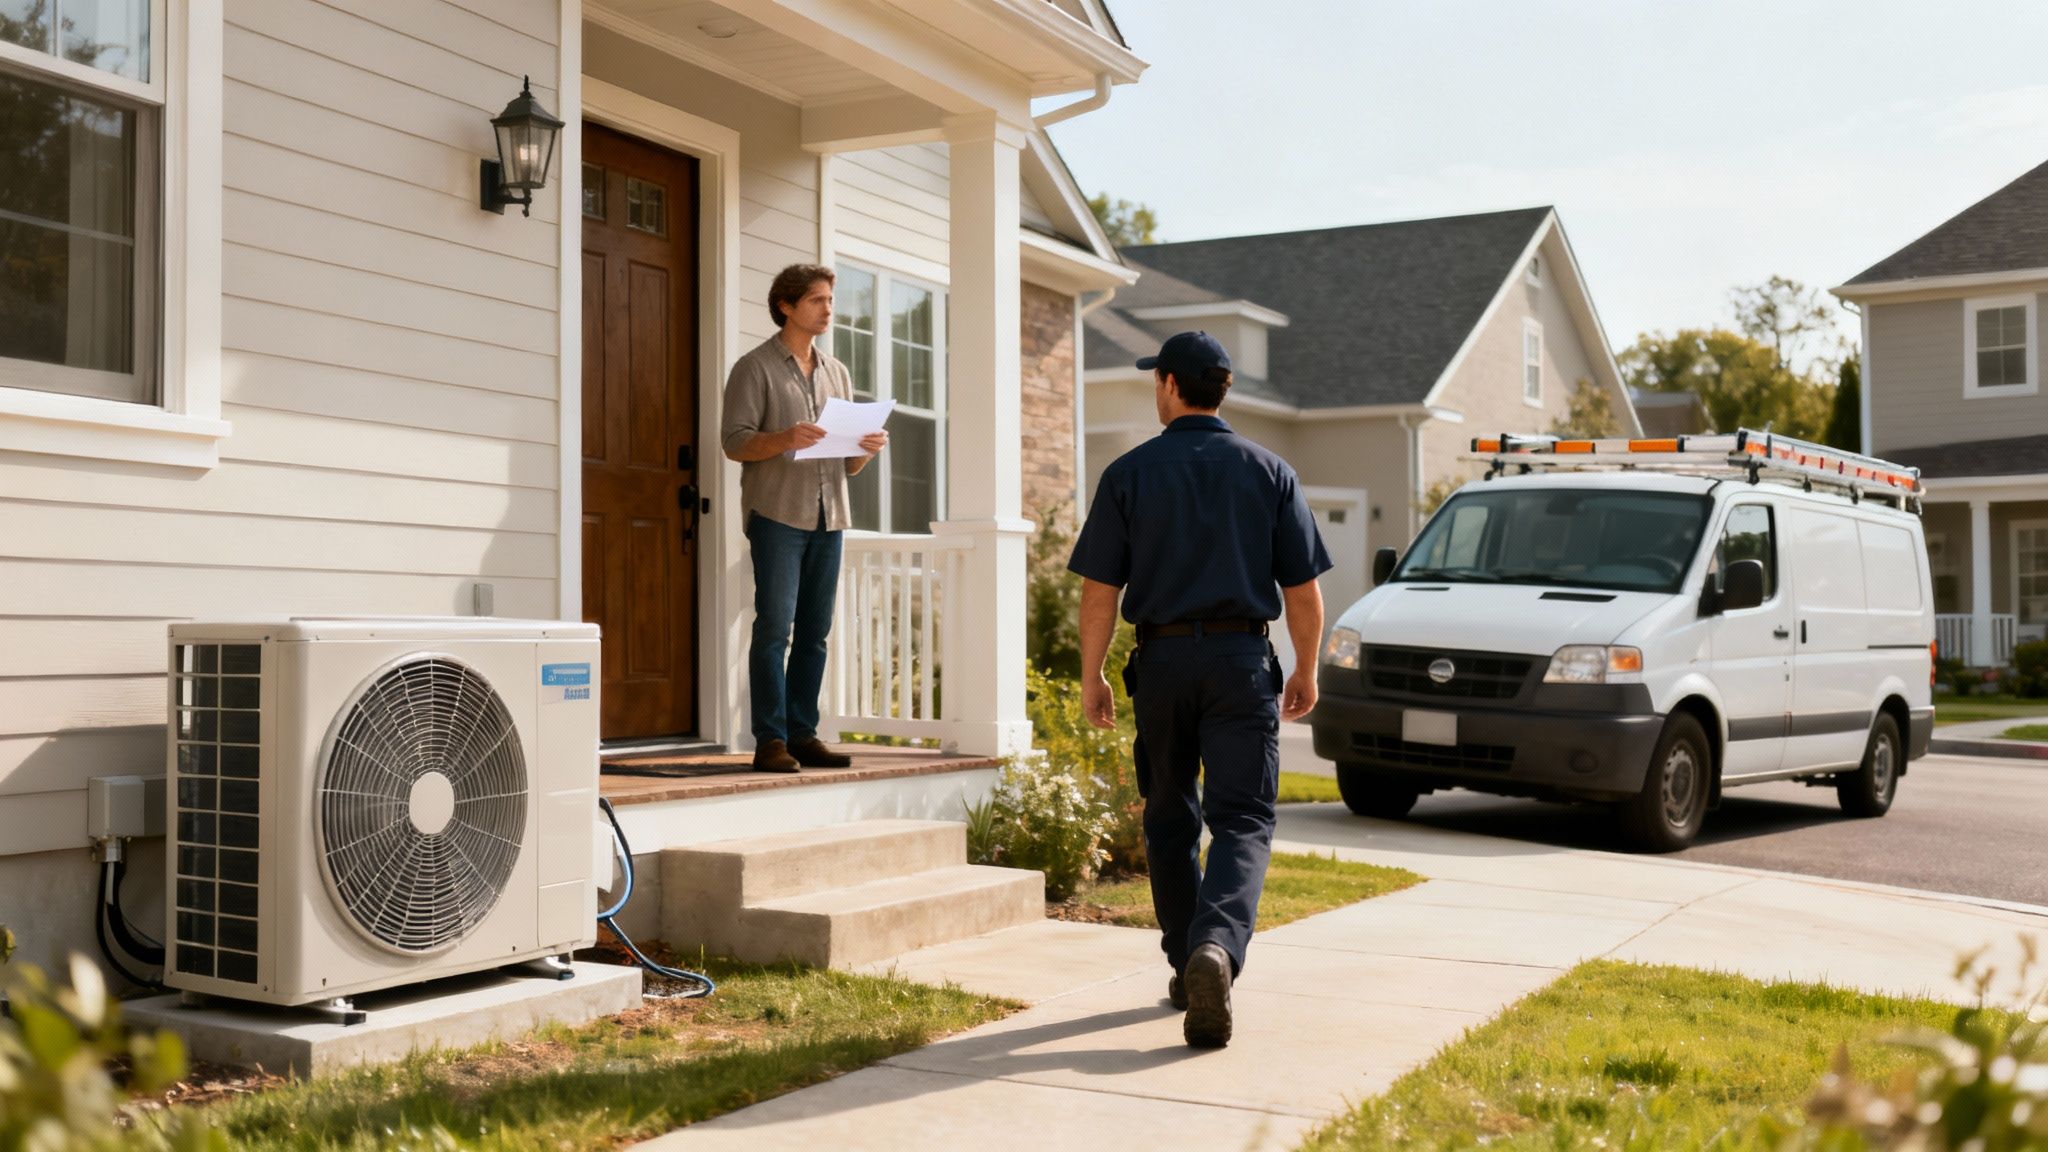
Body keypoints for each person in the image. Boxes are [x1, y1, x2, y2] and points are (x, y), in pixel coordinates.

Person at [1067, 330, 1330, 1048]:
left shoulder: (1129, 473)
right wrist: (1306, 667)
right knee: (1242, 818)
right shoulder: (1270, 471)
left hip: (1160, 664)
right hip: (1242, 661)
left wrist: (1092, 674)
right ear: (1223, 389)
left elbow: (1099, 593)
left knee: (1170, 816)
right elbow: (1302, 591)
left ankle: (1189, 959)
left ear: (1170, 385)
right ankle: (1215, 947)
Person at [720, 264, 888, 773]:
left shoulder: (837, 372)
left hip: (829, 517)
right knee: (775, 629)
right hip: (777, 515)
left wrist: (866, 449)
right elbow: (734, 443)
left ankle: (803, 734)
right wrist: (784, 438)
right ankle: (770, 740)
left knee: (815, 632)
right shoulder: (754, 368)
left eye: (831, 300)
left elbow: (847, 465)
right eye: (817, 300)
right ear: (786, 306)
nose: (828, 309)